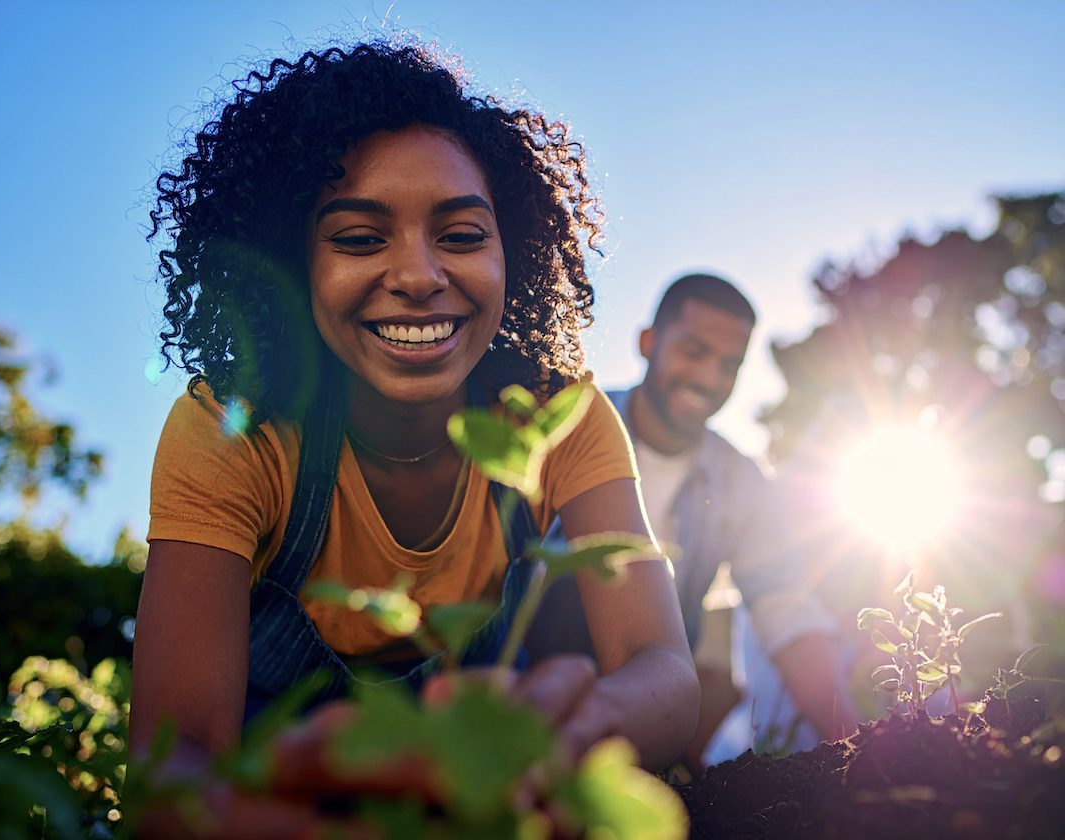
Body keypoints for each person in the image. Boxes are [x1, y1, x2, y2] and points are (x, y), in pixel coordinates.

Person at [129, 41, 698, 835]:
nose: (419, 274)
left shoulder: (555, 416)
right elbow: (173, 764)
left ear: (513, 252)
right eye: (360, 239)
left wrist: (574, 727)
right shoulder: (234, 434)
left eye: (462, 234)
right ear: (292, 262)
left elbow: (666, 672)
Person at [528, 272, 858, 773]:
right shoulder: (564, 426)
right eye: (694, 351)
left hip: (645, 725)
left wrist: (852, 741)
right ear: (647, 342)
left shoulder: (741, 481)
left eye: (729, 365)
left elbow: (784, 604)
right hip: (527, 696)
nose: (708, 379)